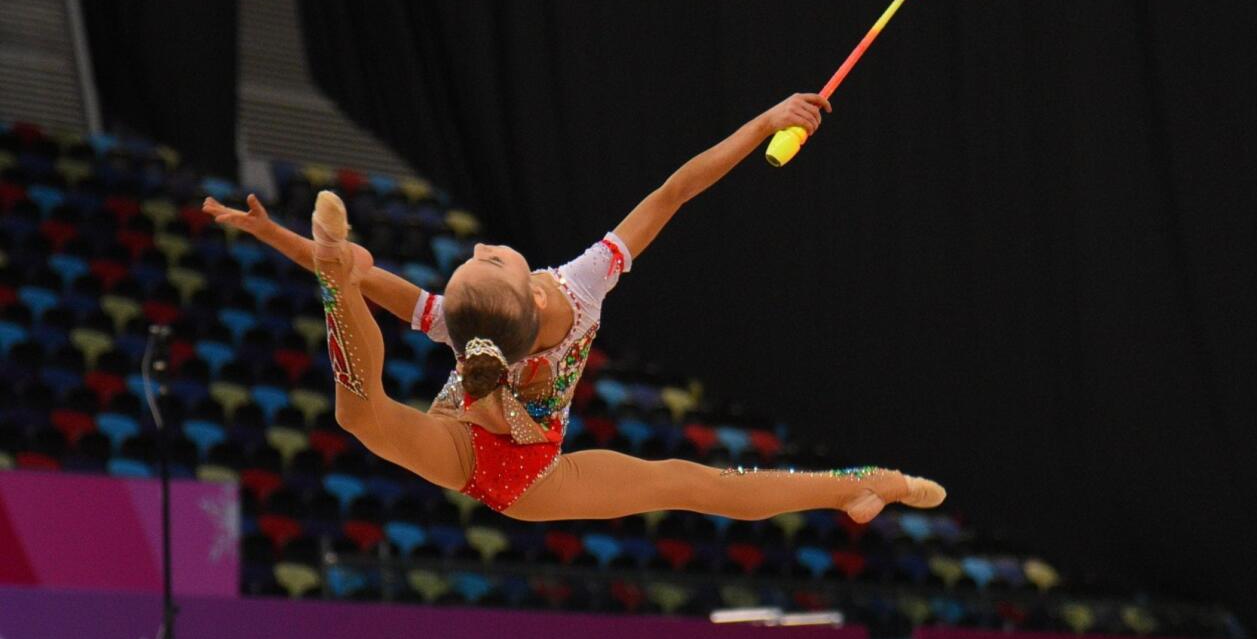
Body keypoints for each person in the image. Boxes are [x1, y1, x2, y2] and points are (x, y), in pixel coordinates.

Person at [203, 93, 945, 523]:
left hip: (529, 473)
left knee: (700, 483)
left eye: (474, 259)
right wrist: (305, 250)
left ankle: (862, 485)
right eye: (482, 259)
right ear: (518, 293)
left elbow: (676, 190)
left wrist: (765, 124)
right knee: (359, 409)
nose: (481, 246)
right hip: (477, 448)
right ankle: (336, 269)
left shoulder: (532, 301)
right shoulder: (566, 289)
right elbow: (669, 195)